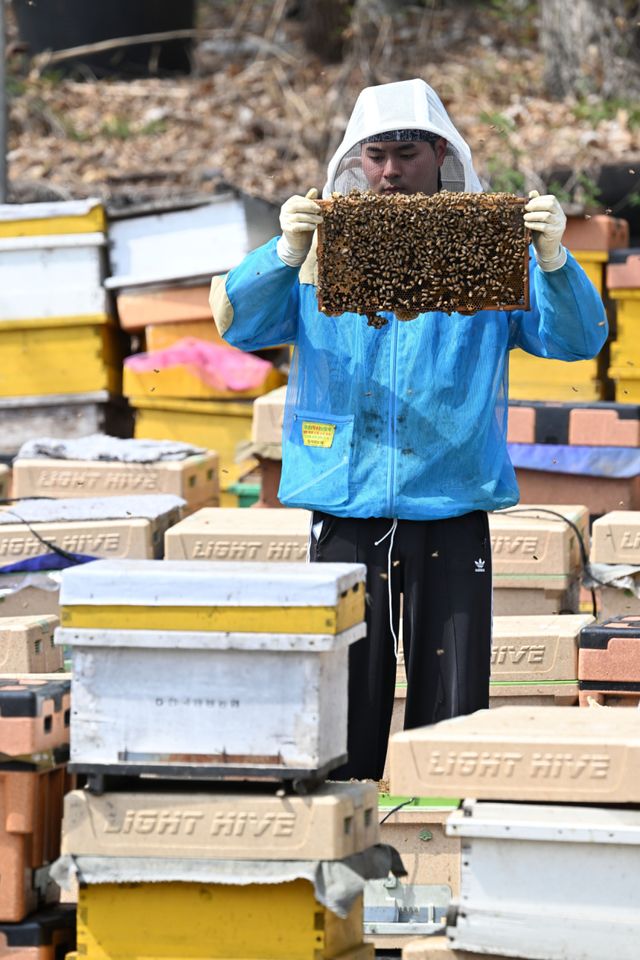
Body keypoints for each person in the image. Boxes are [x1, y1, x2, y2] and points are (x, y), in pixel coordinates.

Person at [210, 78, 608, 781]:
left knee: (452, 710)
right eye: (377, 155)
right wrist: (280, 253)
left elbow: (575, 340)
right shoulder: (318, 251)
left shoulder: (488, 250)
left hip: (449, 503)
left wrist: (555, 261)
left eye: (407, 154)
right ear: (355, 161)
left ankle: (441, 849)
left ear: (441, 155)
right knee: (344, 702)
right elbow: (242, 324)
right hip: (344, 501)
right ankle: (347, 846)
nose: (391, 171)